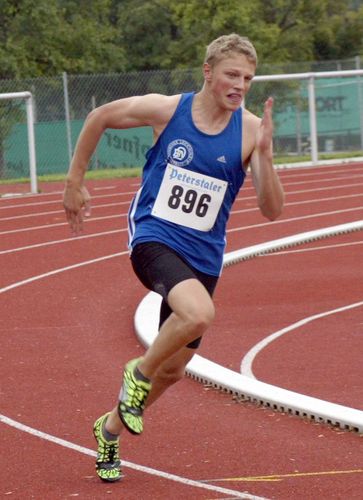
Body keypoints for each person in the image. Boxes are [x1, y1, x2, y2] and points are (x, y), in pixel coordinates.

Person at [63, 33, 284, 482]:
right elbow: (100, 116)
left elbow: (272, 209)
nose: (240, 85)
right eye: (231, 75)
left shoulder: (251, 132)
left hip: (204, 257)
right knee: (198, 314)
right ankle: (136, 374)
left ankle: (108, 429)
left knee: (175, 370)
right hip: (154, 236)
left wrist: (265, 157)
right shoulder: (168, 111)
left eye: (248, 77)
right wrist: (74, 180)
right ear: (208, 72)